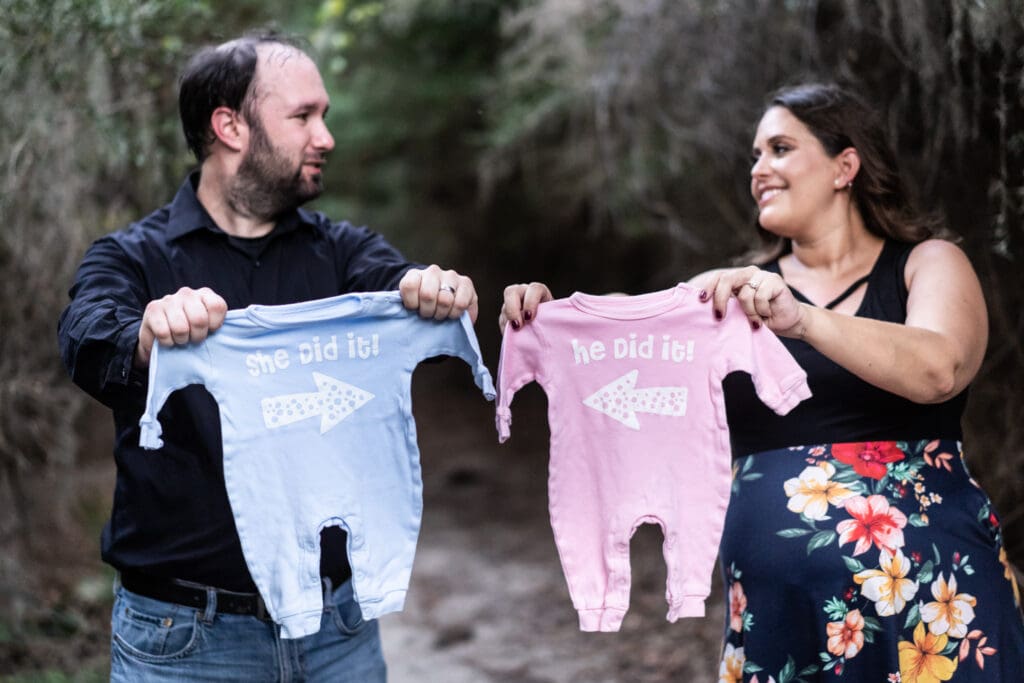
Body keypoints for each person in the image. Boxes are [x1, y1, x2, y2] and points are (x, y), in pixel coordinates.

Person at [500, 83, 1024, 680]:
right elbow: (632, 330)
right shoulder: (730, 291)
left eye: (779, 148)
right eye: (754, 155)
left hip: (936, 599)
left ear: (844, 166)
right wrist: (555, 315)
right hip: (782, 614)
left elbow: (940, 369)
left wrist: (801, 320)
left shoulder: (926, 263)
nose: (759, 169)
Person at [58, 31, 478, 682]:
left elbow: (403, 285)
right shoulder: (131, 257)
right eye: (304, 116)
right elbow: (85, 336)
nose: (326, 137)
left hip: (339, 631)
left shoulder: (341, 253)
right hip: (184, 640)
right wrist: (146, 332)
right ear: (230, 125)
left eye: (326, 116)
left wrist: (435, 291)